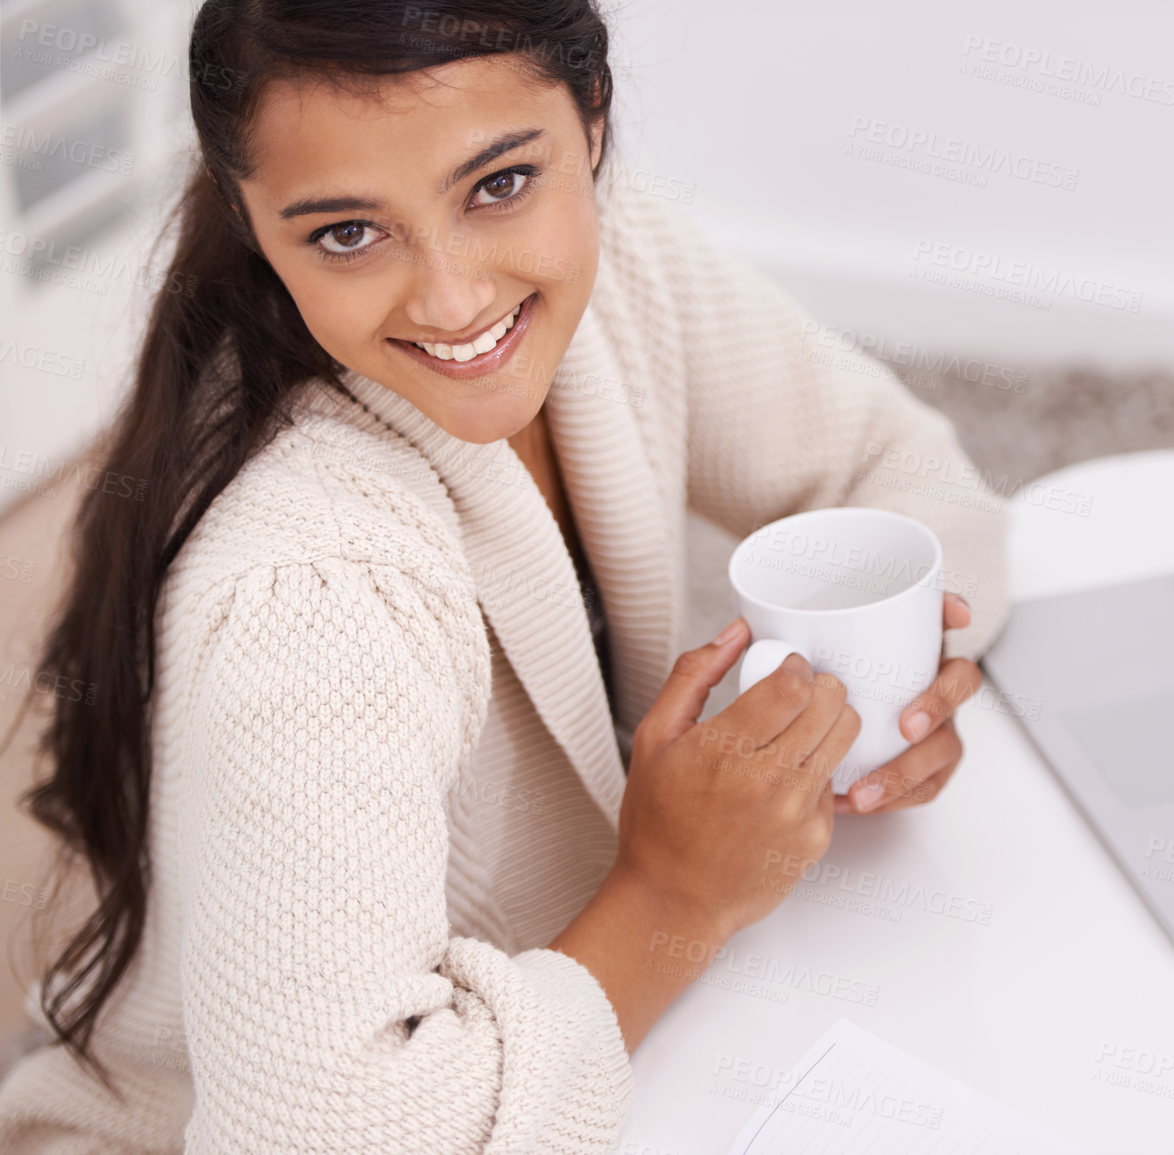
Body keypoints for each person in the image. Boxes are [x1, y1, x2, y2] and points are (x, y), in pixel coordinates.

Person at [0, 2, 1009, 1151]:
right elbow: (327, 1139)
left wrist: (878, 699)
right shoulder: (309, 594)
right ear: (249, 220)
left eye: (497, 187)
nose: (455, 300)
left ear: (590, 123)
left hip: (576, 1033)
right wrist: (675, 893)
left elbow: (909, 476)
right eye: (344, 233)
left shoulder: (616, 262)